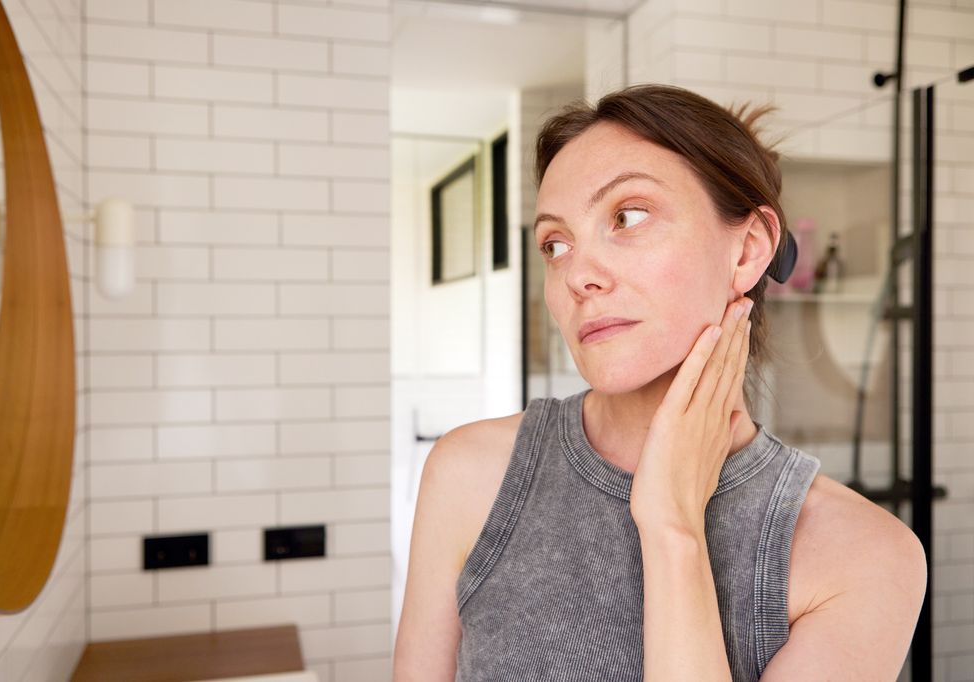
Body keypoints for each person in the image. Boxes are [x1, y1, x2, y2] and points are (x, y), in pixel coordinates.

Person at [392, 83, 927, 681]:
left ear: (748, 250)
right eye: (556, 244)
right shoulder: (469, 473)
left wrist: (673, 526)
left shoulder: (864, 555)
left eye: (628, 216)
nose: (578, 275)